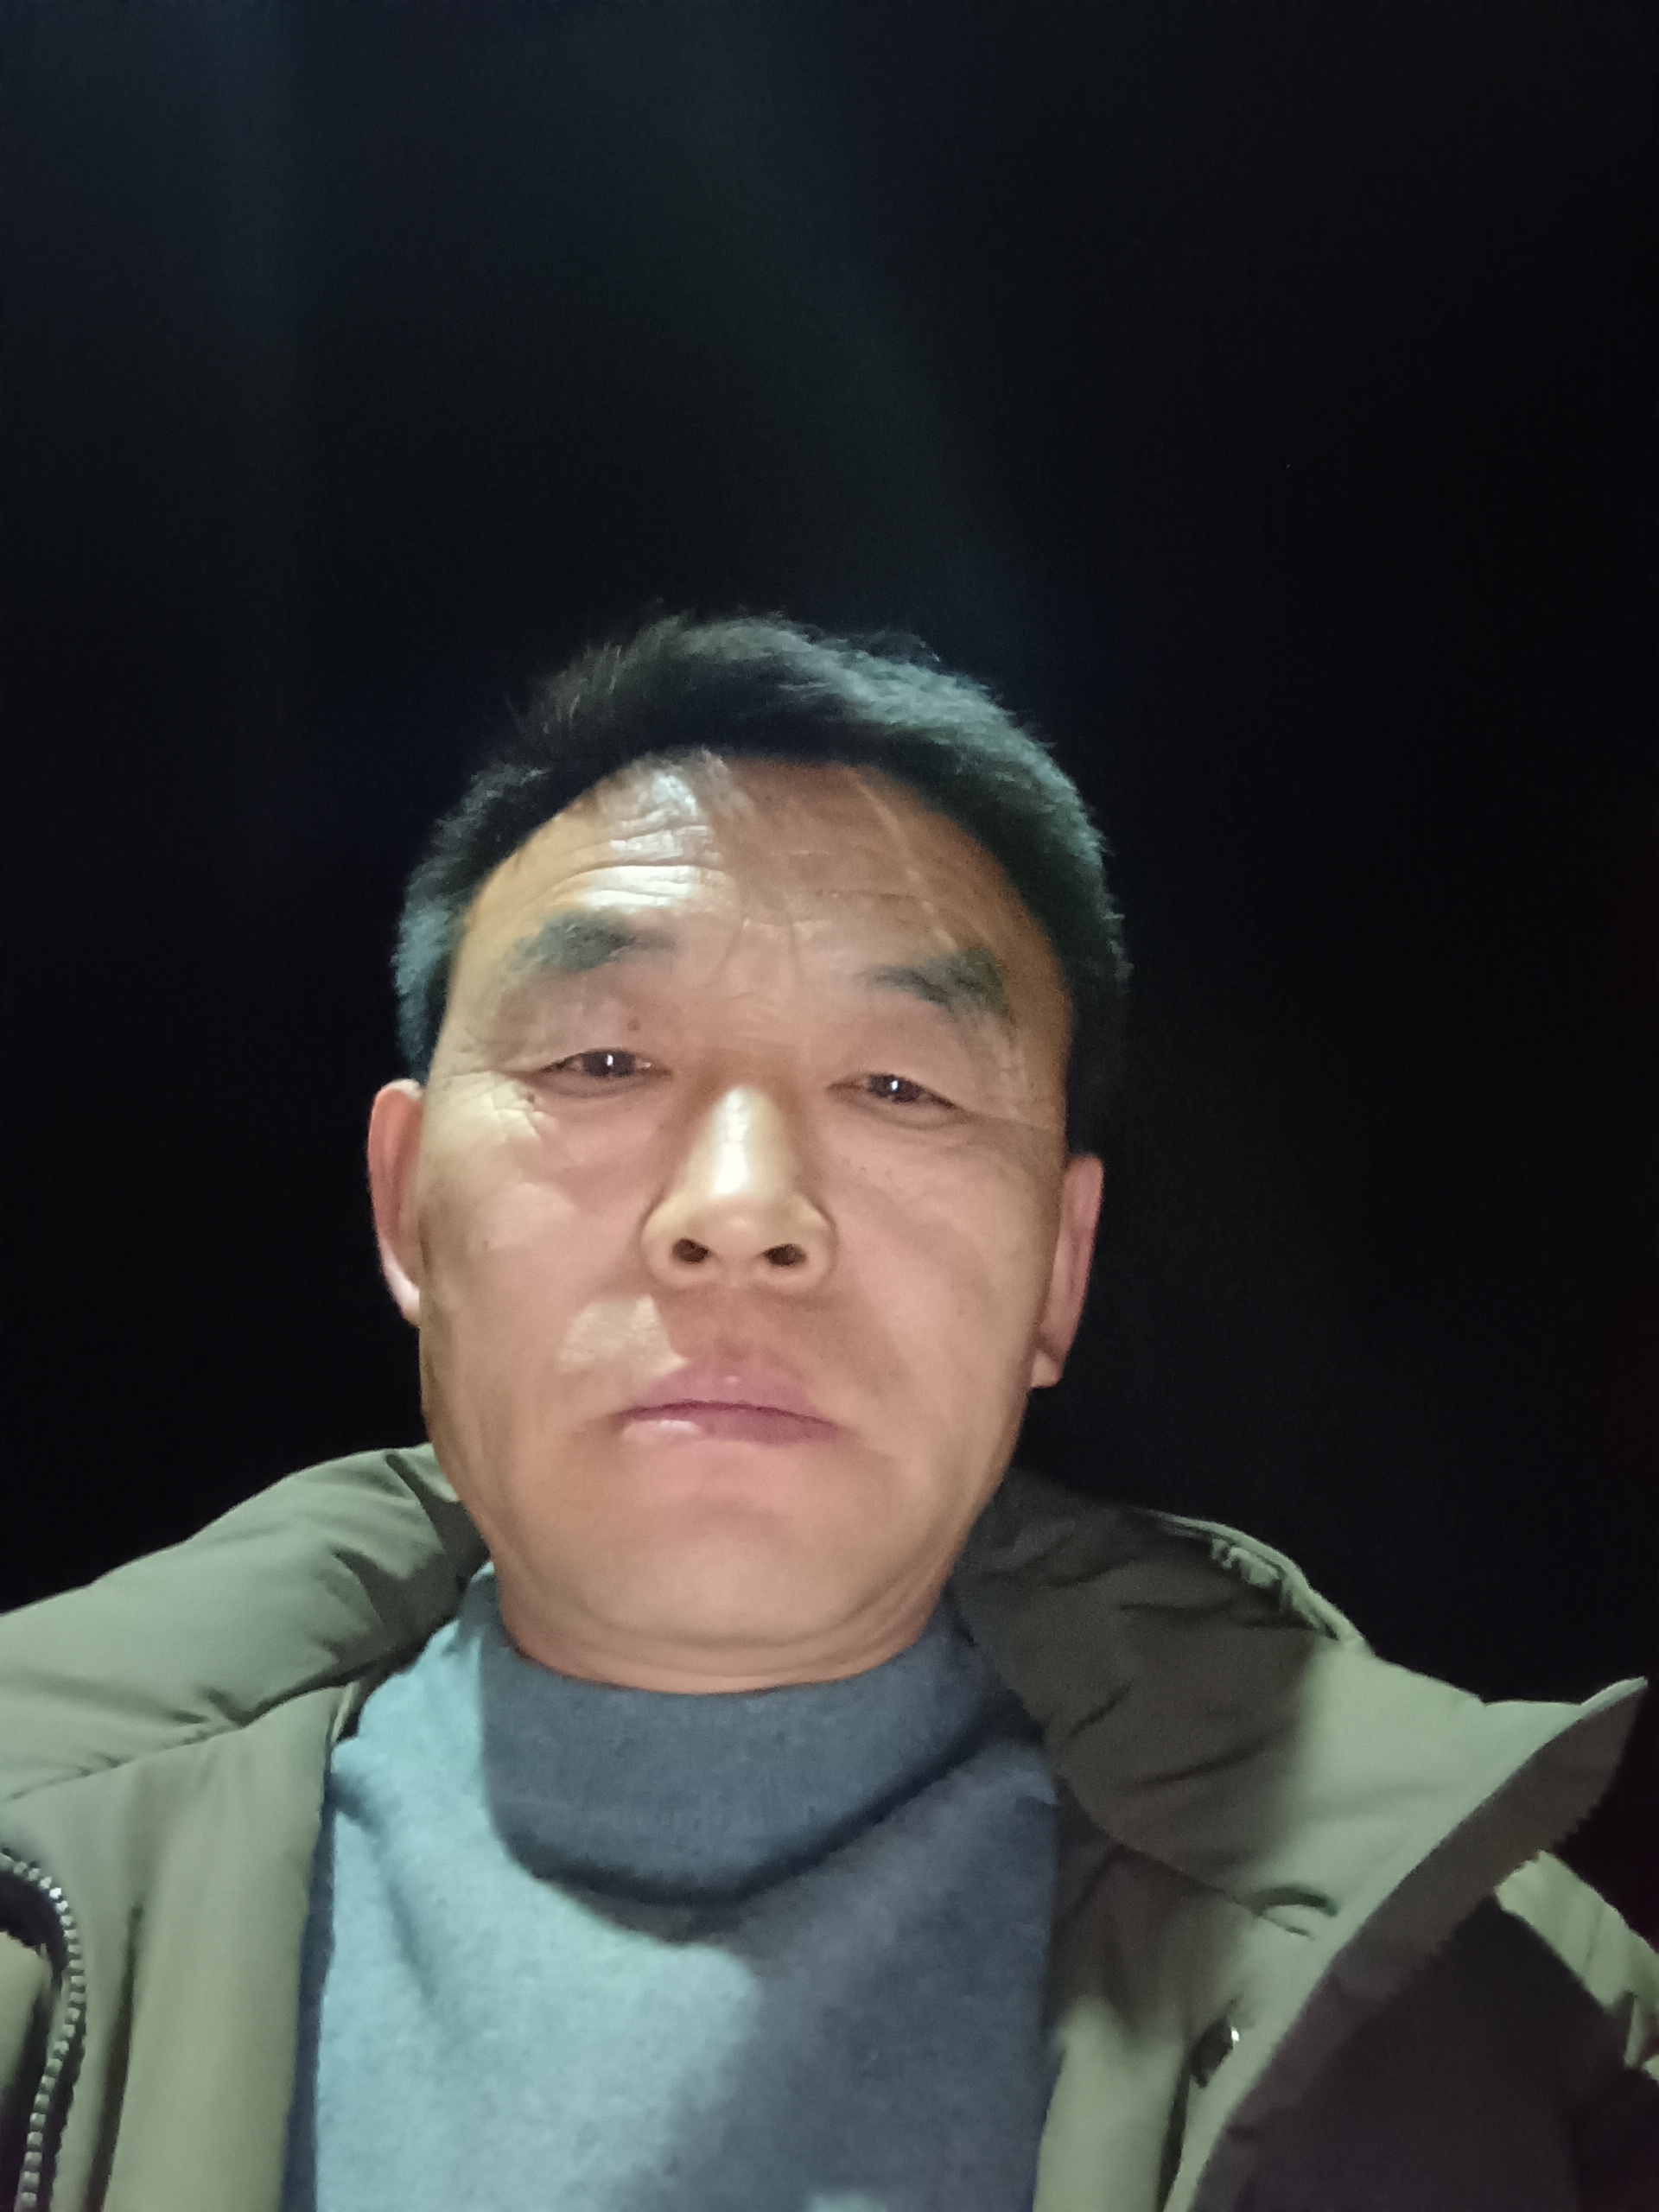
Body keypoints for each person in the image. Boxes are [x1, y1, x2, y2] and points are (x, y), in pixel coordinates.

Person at [1, 614, 1655, 2212]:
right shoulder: (39, 1910)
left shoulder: (1490, 2013)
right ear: (407, 1204)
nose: (741, 1208)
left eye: (896, 1085)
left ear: (1059, 1270)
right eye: (600, 1063)